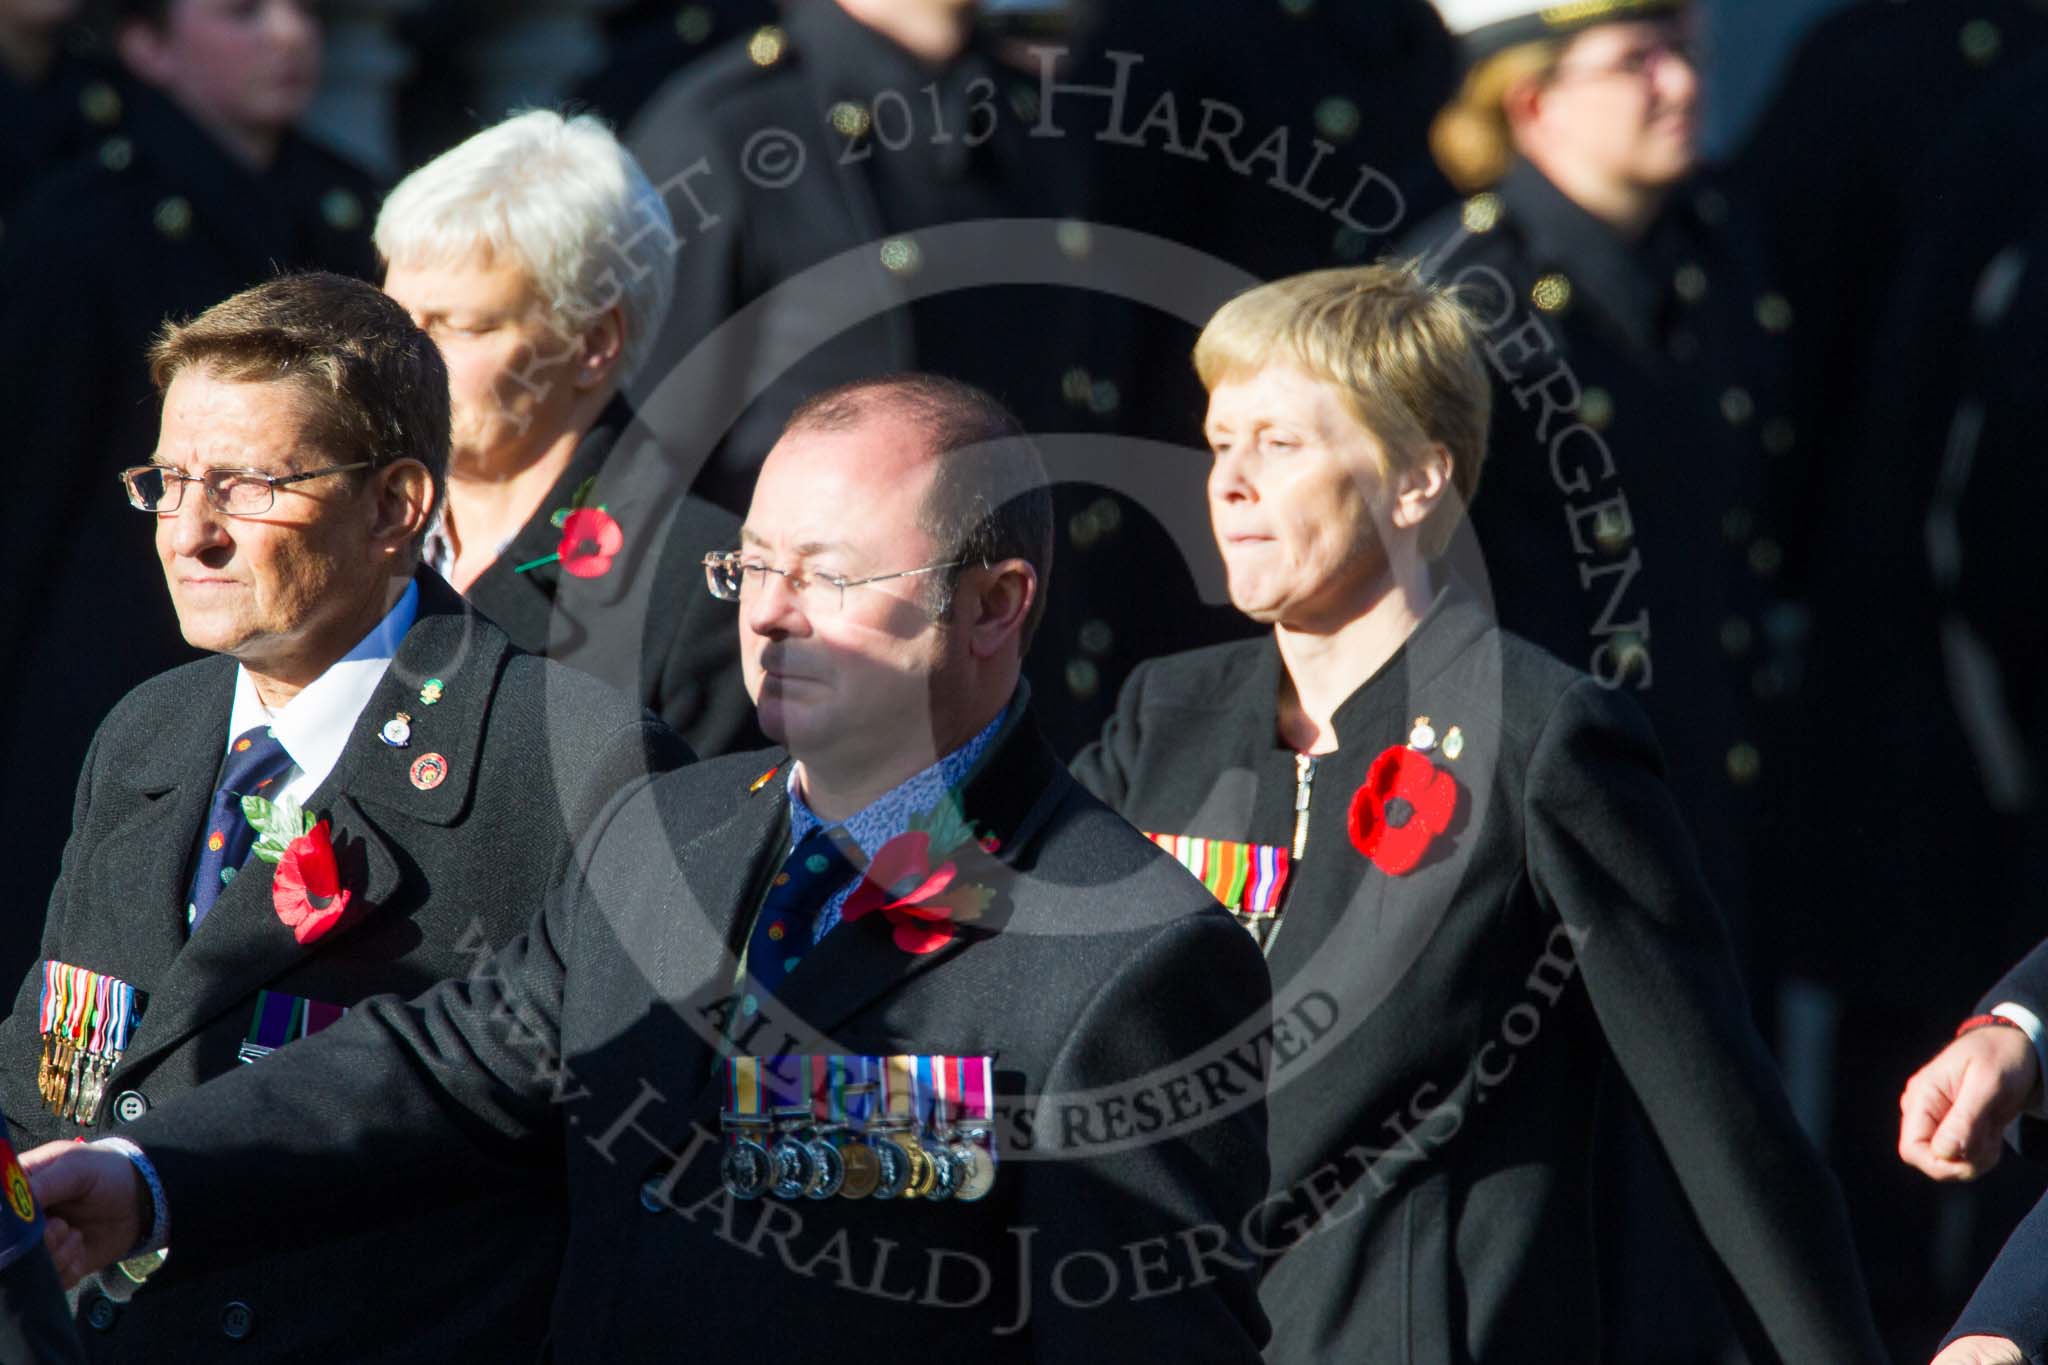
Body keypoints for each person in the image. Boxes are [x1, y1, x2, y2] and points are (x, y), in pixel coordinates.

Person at [23, 373, 1275, 1361]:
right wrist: (148, 1177)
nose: (768, 615)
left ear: (996, 605)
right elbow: (452, 1063)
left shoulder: (1125, 958)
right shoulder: (667, 830)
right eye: (753, 570)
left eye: (827, 578)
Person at [1069, 263, 1887, 1363]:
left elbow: (1717, 1112)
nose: (1229, 482)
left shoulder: (1540, 736)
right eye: (1221, 443)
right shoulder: (1160, 714)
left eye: (1280, 443)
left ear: (1415, 482)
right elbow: (1021, 997)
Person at [0, 272, 690, 1359]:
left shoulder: (571, 761)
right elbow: (56, 1081)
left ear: (397, 507)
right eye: (170, 481)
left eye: (247, 486)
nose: (190, 533)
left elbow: (610, 1170)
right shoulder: (149, 732)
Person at [0, 0, 382, 975]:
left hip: (303, 667)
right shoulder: (81, 228)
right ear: (146, 44)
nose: (290, 36)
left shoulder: (345, 207)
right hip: (99, 673)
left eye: (302, 11)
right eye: (243, 14)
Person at [376, 109, 759, 756]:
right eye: (391, 319)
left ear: (592, 344)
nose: (399, 358)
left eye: (459, 326)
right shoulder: (350, 520)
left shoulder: (692, 583)